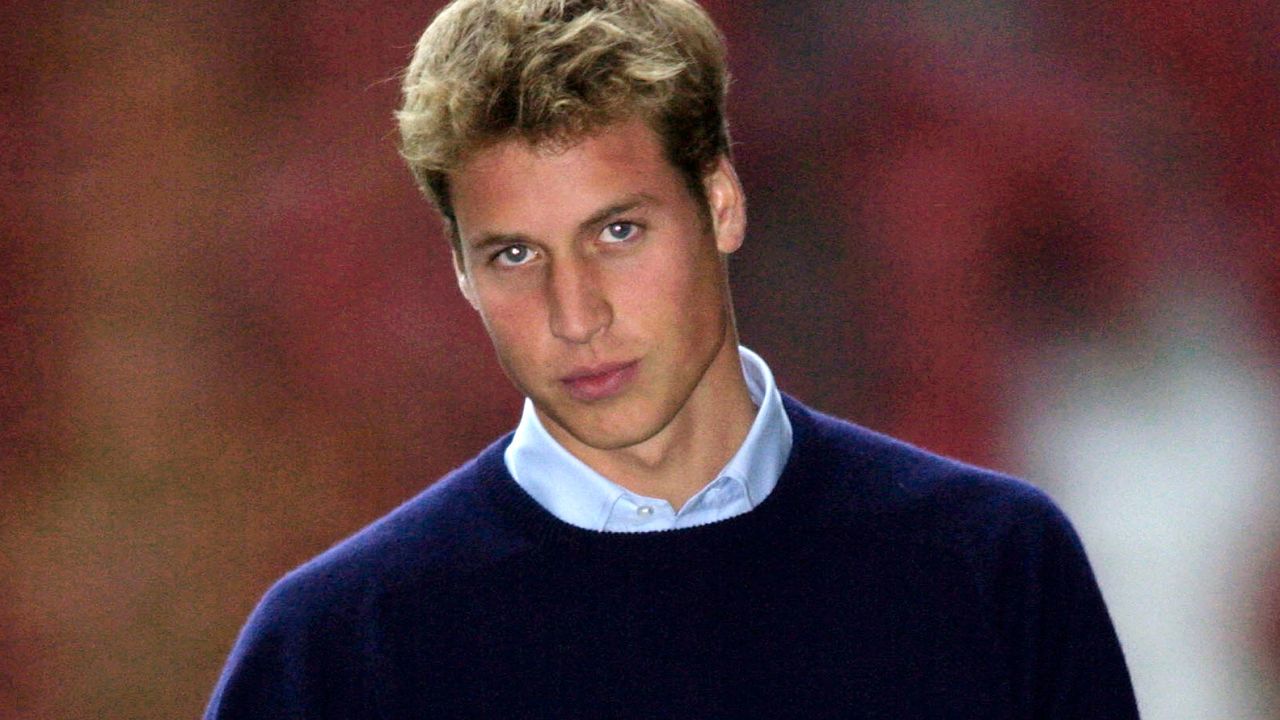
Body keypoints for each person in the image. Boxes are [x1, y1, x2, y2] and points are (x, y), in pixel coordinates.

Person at [205, 1, 1139, 717]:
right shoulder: (335, 651)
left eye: (617, 231)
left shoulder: (991, 567)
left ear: (721, 204)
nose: (576, 314)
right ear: (459, 271)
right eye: (515, 255)